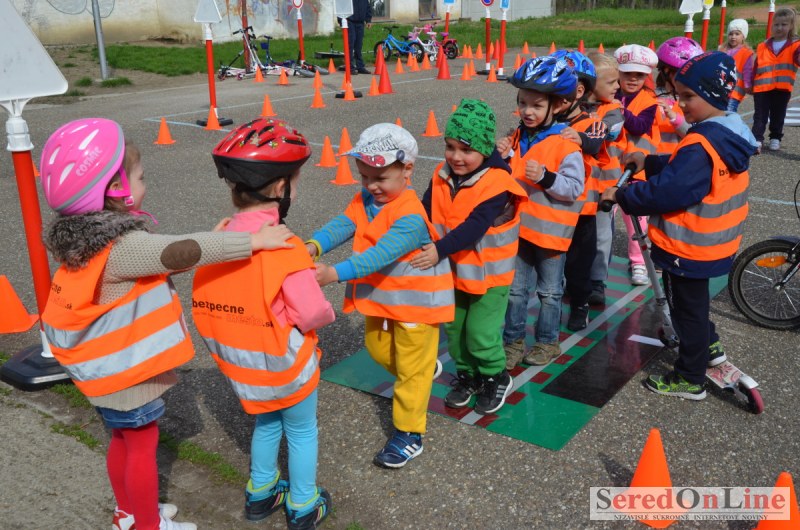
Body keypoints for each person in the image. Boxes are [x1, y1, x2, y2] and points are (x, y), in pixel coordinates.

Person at [38, 118, 295, 530]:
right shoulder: (122, 246)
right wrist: (253, 241)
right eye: (140, 177)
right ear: (116, 189)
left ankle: (128, 514)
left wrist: (214, 238)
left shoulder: (84, 242)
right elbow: (179, 251)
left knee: (121, 442)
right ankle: (148, 525)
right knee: (142, 449)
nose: (144, 183)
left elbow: (157, 260)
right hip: (127, 376)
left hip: (100, 373)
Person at [192, 119, 334, 530]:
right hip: (285, 365)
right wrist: (325, 313)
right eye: (295, 179)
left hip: (242, 366)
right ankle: (303, 504)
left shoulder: (218, 240)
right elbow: (312, 312)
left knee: (267, 422)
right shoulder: (285, 247)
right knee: (302, 431)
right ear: (280, 188)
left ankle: (261, 491)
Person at [600, 52, 758, 399]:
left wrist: (622, 195)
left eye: (688, 96)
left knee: (684, 309)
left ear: (713, 95)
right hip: (712, 243)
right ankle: (708, 343)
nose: (680, 104)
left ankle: (689, 377)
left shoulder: (700, 144)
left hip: (688, 246)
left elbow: (670, 191)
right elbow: (682, 169)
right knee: (693, 305)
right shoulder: (727, 130)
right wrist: (649, 161)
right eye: (677, 95)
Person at [307, 123, 454, 468]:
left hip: (417, 307)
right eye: (364, 176)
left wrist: (332, 273)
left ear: (407, 170)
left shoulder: (410, 215)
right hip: (385, 300)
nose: (371, 185)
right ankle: (422, 370)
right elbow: (344, 224)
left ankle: (409, 433)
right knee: (377, 349)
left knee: (411, 373)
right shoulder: (365, 199)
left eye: (380, 177)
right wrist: (313, 246)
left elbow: (379, 256)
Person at [414, 99, 526, 410]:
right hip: (453, 272)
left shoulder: (497, 183)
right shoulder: (441, 174)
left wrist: (438, 250)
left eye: (466, 149)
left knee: (480, 333)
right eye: (450, 147)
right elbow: (424, 211)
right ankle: (467, 376)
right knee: (454, 330)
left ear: (485, 149)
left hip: (488, 277)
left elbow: (474, 227)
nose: (456, 156)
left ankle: (495, 376)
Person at [499, 56, 585, 367]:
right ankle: (512, 341)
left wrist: (547, 178)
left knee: (549, 293)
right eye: (522, 103)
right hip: (518, 229)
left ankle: (548, 342)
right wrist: (500, 158)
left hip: (551, 234)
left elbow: (574, 188)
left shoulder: (566, 144)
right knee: (515, 291)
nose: (527, 111)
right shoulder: (517, 137)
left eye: (536, 105)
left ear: (558, 105)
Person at [553, 50, 608, 331]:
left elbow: (596, 141)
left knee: (578, 264)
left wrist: (580, 137)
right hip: (549, 207)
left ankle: (580, 305)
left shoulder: (592, 122)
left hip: (581, 210)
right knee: (550, 263)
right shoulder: (546, 121)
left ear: (579, 91)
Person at [614, 44, 660, 287]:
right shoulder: (609, 93)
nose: (633, 79)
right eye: (627, 74)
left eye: (639, 75)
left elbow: (640, 126)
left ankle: (639, 261)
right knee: (604, 217)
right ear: (618, 73)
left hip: (635, 169)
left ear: (646, 77)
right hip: (609, 167)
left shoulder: (649, 100)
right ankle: (597, 261)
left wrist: (620, 111)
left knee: (636, 219)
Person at [585, 51, 624, 307]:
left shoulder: (614, 109)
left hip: (603, 189)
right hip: (578, 187)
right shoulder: (572, 107)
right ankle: (572, 278)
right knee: (576, 237)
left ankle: (597, 280)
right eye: (611, 82)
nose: (618, 86)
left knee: (601, 237)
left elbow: (610, 130)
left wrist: (587, 126)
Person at [751, 7, 800, 152]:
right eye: (776, 24)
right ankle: (757, 139)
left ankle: (775, 137)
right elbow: (756, 66)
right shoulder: (763, 45)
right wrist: (751, 83)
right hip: (762, 87)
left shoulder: (796, 45)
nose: (779, 28)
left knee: (778, 114)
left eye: (784, 24)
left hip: (782, 88)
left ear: (791, 26)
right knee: (760, 115)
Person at [654, 37, 704, 155]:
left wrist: (674, 117)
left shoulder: (695, 100)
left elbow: (694, 135)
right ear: (667, 71)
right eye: (684, 74)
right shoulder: (651, 97)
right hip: (652, 161)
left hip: (680, 161)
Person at [719, 19, 754, 113]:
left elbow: (747, 72)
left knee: (728, 112)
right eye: (731, 34)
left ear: (743, 36)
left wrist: (748, 87)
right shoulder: (722, 50)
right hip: (720, 90)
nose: (733, 37)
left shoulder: (746, 53)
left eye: (737, 34)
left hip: (734, 92)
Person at [348, 0, 373, 74]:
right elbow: (341, 7)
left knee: (359, 46)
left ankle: (360, 66)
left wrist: (368, 20)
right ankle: (350, 67)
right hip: (350, 22)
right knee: (350, 45)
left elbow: (367, 7)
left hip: (360, 23)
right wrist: (341, 21)